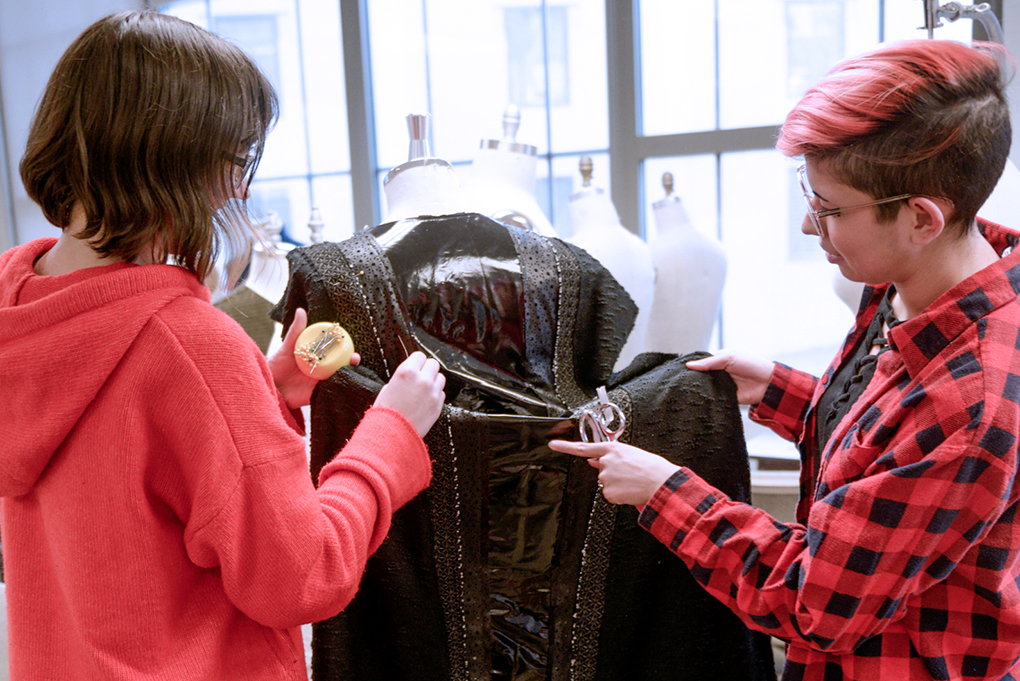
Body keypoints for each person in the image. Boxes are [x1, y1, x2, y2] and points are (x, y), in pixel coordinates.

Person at [551, 39, 1020, 680]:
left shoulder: (970, 403)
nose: (808, 226)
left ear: (921, 219)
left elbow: (815, 604)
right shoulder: (907, 285)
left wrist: (664, 492)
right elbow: (885, 443)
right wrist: (780, 389)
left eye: (829, 210)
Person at [0, 11, 445, 681]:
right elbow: (303, 574)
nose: (240, 188)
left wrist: (261, 392)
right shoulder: (189, 344)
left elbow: (119, 489)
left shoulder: (18, 313)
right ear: (174, 157)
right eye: (235, 159)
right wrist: (390, 437)